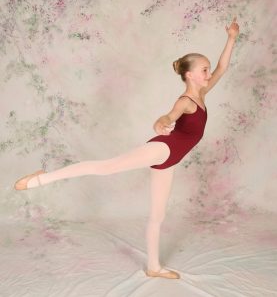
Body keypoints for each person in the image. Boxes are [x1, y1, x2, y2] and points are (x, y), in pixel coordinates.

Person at [14, 17, 239, 279]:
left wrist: (231, 38)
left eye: (208, 69)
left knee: (158, 215)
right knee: (106, 168)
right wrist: (161, 123)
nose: (209, 73)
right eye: (204, 69)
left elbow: (223, 68)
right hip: (163, 149)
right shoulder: (187, 100)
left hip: (171, 160)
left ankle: (153, 267)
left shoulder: (202, 93)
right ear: (189, 75)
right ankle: (40, 179)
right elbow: (168, 116)